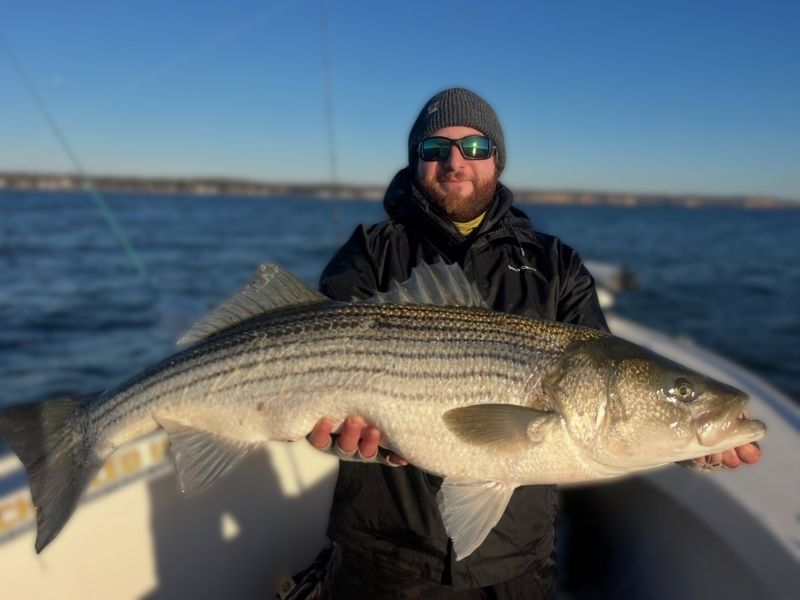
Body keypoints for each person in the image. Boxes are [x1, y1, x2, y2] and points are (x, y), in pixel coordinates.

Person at [300, 88, 760, 599]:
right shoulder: (371, 251)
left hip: (516, 559)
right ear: (416, 163)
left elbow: (611, 401)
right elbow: (309, 365)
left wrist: (691, 445)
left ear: (497, 159)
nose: (455, 163)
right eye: (435, 150)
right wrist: (338, 433)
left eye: (474, 147)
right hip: (383, 555)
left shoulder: (556, 265)